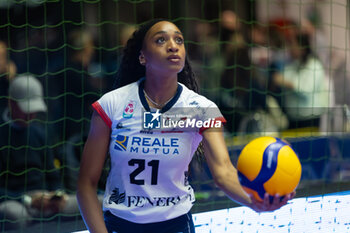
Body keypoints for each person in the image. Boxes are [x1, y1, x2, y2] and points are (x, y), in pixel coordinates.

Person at [77, 19, 295, 233]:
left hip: (175, 226)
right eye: (161, 40)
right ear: (142, 56)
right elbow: (86, 183)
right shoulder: (112, 104)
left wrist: (253, 202)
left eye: (179, 40)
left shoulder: (200, 109)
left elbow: (224, 172)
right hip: (121, 225)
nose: (173, 46)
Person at [0, 75, 80, 230]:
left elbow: (53, 174)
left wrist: (58, 195)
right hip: (15, 201)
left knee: (97, 201)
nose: (31, 115)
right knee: (14, 214)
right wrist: (26, 199)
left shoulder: (40, 133)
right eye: (26, 110)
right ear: (11, 103)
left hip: (45, 198)